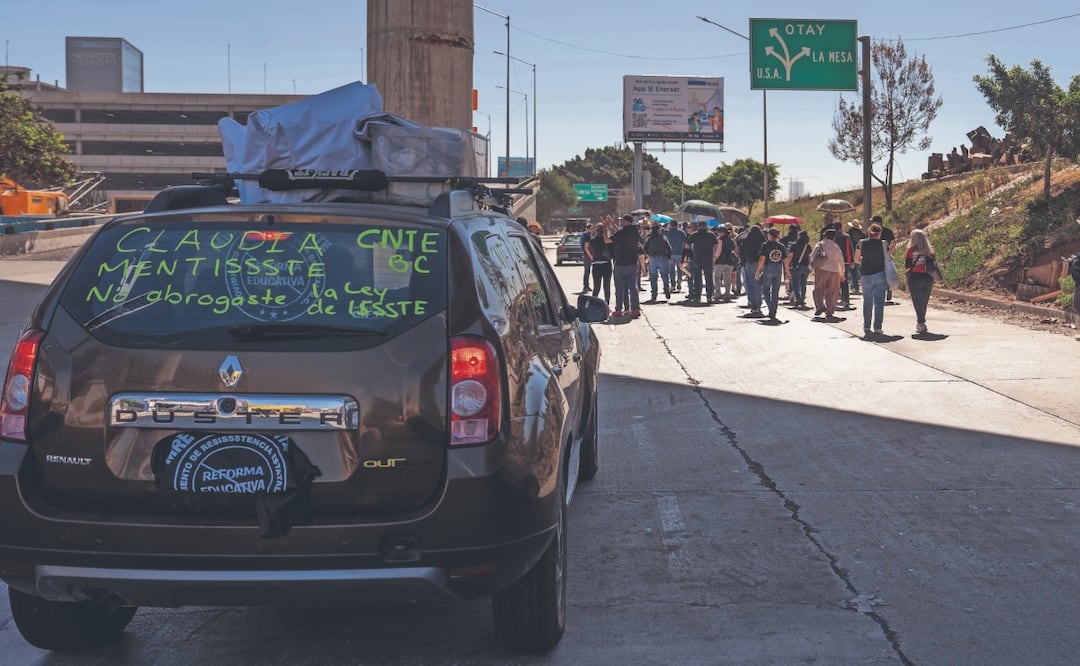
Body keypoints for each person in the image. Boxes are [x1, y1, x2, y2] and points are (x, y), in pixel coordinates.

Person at [854, 222, 888, 336]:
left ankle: (866, 326)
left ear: (869, 232)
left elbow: (856, 260)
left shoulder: (861, 243)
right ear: (880, 233)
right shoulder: (883, 244)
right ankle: (878, 327)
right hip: (880, 275)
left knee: (867, 301)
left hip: (866, 276)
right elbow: (888, 259)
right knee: (879, 302)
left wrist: (864, 260)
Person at [608, 214, 644, 318]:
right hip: (632, 263)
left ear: (627, 221)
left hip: (620, 264)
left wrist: (606, 227)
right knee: (633, 288)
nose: (621, 222)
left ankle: (618, 309)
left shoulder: (622, 234)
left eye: (622, 220)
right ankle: (635, 309)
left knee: (619, 289)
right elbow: (620, 233)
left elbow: (607, 240)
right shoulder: (635, 232)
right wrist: (613, 225)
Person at [905, 228, 937, 334]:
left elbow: (908, 267)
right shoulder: (929, 251)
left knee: (917, 302)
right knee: (924, 302)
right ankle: (921, 322)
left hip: (914, 278)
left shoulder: (910, 251)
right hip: (928, 277)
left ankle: (921, 323)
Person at [754, 227, 789, 321]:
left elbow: (762, 259)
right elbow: (785, 260)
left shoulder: (765, 245)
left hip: (768, 268)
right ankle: (774, 310)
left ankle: (770, 307)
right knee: (775, 291)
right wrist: (787, 272)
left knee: (765, 289)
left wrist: (758, 271)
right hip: (778, 268)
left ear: (769, 235)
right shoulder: (781, 246)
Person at [811, 228, 845, 319]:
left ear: (824, 236)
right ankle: (829, 311)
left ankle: (820, 307)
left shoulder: (820, 244)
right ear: (833, 238)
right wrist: (842, 273)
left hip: (822, 270)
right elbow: (841, 261)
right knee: (832, 292)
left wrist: (813, 268)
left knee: (818, 289)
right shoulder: (836, 246)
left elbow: (812, 256)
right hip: (835, 271)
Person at [684, 220, 717, 304]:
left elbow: (687, 245)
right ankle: (709, 296)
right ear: (706, 226)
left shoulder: (694, 234)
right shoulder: (711, 234)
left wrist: (692, 252)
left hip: (697, 259)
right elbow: (716, 245)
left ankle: (697, 297)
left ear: (698, 226)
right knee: (709, 279)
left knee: (697, 279)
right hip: (708, 259)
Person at [738, 224, 766, 317]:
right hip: (761, 264)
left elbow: (738, 241)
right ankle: (759, 303)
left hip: (749, 264)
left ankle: (753, 305)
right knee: (759, 284)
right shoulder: (763, 241)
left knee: (750, 285)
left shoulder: (746, 241)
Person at [643, 223, 673, 302]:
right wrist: (669, 257)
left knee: (653, 277)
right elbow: (669, 248)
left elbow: (645, 248)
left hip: (652, 258)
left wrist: (648, 255)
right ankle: (666, 289)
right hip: (662, 257)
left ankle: (654, 294)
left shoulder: (649, 238)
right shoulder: (663, 238)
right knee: (665, 276)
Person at [586, 221, 613, 305]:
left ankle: (593, 304)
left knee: (596, 287)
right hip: (606, 264)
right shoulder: (608, 241)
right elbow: (612, 252)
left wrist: (592, 258)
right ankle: (606, 304)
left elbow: (589, 250)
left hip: (596, 264)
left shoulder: (592, 241)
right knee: (606, 286)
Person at [712, 225, 738, 302]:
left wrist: (713, 261)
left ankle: (718, 293)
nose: (717, 233)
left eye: (719, 232)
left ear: (722, 233)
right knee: (727, 279)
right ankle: (727, 293)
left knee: (717, 277)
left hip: (720, 262)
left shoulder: (719, 240)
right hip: (730, 262)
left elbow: (718, 252)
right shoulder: (731, 240)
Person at [874, 215, 897, 303]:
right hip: (880, 255)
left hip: (881, 256)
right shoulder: (886, 230)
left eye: (874, 222)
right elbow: (893, 242)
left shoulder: (884, 231)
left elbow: (893, 242)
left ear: (878, 222)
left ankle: (886, 289)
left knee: (883, 273)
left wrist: (889, 253)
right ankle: (886, 289)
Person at [787, 229, 812, 308]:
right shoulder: (807, 246)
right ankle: (802, 299)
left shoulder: (794, 246)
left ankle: (798, 299)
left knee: (795, 284)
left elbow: (790, 256)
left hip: (796, 267)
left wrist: (786, 266)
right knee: (803, 284)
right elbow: (810, 257)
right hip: (805, 267)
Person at [662, 220, 688, 293]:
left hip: (670, 254)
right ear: (677, 225)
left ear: (670, 225)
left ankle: (673, 284)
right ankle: (679, 280)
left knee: (671, 270)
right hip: (680, 253)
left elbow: (661, 230)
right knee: (680, 269)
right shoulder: (682, 232)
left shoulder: (667, 232)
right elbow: (685, 242)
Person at [847, 219, 865, 294]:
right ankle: (855, 285)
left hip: (852, 253)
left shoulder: (849, 233)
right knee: (857, 270)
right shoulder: (862, 234)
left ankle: (855, 286)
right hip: (860, 253)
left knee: (852, 271)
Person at [579, 223, 593, 293]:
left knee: (588, 272)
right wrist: (591, 256)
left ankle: (587, 286)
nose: (592, 230)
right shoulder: (587, 236)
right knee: (587, 272)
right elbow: (586, 248)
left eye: (592, 228)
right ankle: (585, 286)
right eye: (590, 228)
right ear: (587, 229)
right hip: (587, 255)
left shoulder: (588, 235)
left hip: (587, 255)